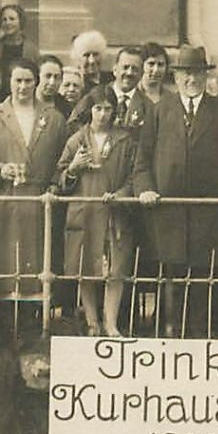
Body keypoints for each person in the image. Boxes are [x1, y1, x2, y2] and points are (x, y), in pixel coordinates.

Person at [134, 46, 218, 337]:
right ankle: (168, 343)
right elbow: (142, 160)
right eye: (186, 73)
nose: (192, 79)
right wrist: (146, 189)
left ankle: (198, 346)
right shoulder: (160, 109)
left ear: (206, 76)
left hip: (209, 215)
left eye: (197, 73)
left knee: (204, 283)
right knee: (170, 283)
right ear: (176, 77)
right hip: (168, 213)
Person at [0, 60, 70, 305]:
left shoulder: (53, 118)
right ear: (9, 82)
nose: (23, 86)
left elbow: (63, 157)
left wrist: (53, 184)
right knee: (4, 257)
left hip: (39, 199)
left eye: (28, 80)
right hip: (6, 198)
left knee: (38, 258)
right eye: (18, 80)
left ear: (36, 82)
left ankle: (36, 313)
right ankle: (0, 312)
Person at [56, 84, 139, 337]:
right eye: (98, 109)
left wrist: (121, 195)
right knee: (85, 268)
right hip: (85, 210)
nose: (103, 114)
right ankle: (92, 321)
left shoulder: (125, 140)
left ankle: (110, 322)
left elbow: (135, 176)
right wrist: (73, 168)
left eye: (108, 109)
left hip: (114, 212)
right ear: (89, 110)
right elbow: (58, 178)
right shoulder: (77, 139)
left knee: (115, 269)